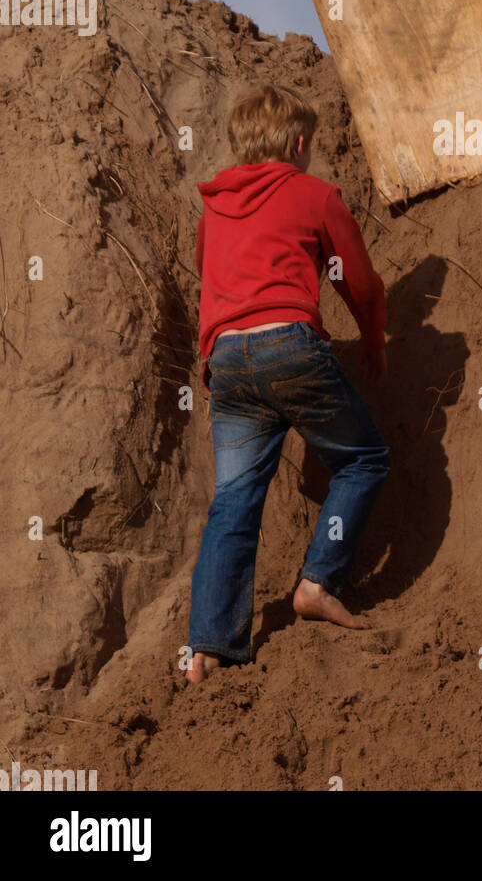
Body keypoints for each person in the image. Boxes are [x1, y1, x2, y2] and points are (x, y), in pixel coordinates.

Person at [185, 84, 389, 683]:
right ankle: (317, 582)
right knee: (364, 461)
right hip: (287, 345)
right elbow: (360, 280)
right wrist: (372, 340)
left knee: (234, 500)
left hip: (227, 358)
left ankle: (208, 649)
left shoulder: (214, 205)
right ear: (300, 143)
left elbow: (209, 272)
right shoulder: (313, 194)